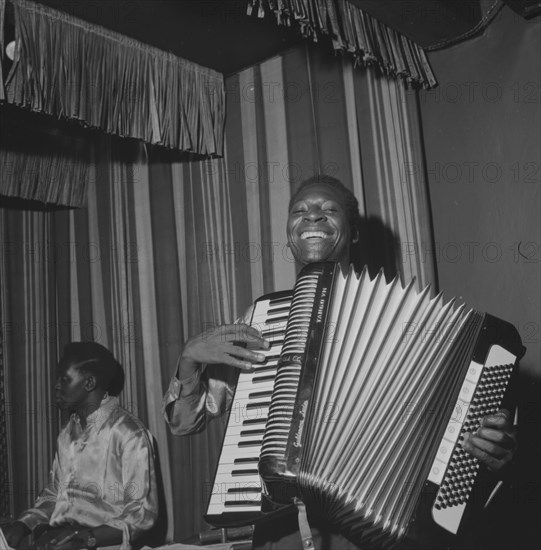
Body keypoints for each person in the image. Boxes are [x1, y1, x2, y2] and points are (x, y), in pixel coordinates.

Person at [163, 175, 517, 548]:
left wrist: (493, 449)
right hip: (281, 530)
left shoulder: (409, 320)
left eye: (328, 210)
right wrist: (189, 361)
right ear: (288, 233)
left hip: (379, 529)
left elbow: (469, 435)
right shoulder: (261, 319)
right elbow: (185, 425)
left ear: (355, 234)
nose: (312, 217)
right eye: (299, 211)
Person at [4, 342, 159, 550]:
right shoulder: (68, 432)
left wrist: (83, 538)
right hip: (61, 539)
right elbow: (56, 493)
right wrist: (24, 524)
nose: (56, 385)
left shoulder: (129, 434)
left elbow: (141, 515)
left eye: (64, 378)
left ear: (89, 383)